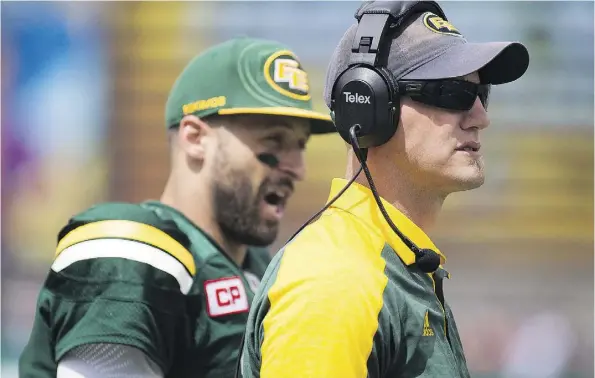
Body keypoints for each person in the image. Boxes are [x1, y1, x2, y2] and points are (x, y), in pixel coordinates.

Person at [240, 2, 530, 377]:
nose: (481, 118)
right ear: (370, 106)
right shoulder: (335, 281)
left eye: (481, 95)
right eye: (453, 93)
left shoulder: (398, 265)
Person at [19, 36, 335, 378]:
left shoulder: (263, 271)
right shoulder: (133, 254)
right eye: (274, 140)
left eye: (300, 146)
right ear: (195, 138)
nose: (296, 168)